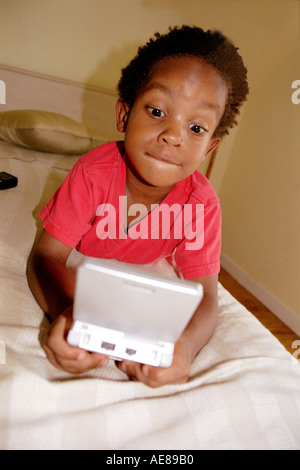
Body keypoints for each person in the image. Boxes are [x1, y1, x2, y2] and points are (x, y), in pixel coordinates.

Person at [27, 25, 249, 387]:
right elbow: (47, 255)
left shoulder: (201, 204)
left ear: (209, 148)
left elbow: (207, 293)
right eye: (158, 111)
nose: (174, 135)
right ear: (124, 115)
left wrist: (185, 346)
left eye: (196, 128)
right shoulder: (92, 174)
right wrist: (68, 311)